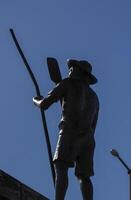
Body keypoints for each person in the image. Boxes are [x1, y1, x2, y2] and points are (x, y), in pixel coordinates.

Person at [33, 59, 99, 200]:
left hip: (69, 131)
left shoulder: (67, 83)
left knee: (61, 167)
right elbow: (94, 125)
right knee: (84, 177)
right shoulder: (94, 97)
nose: (69, 70)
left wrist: (36, 100)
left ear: (79, 71)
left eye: (72, 68)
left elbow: (45, 104)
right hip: (88, 138)